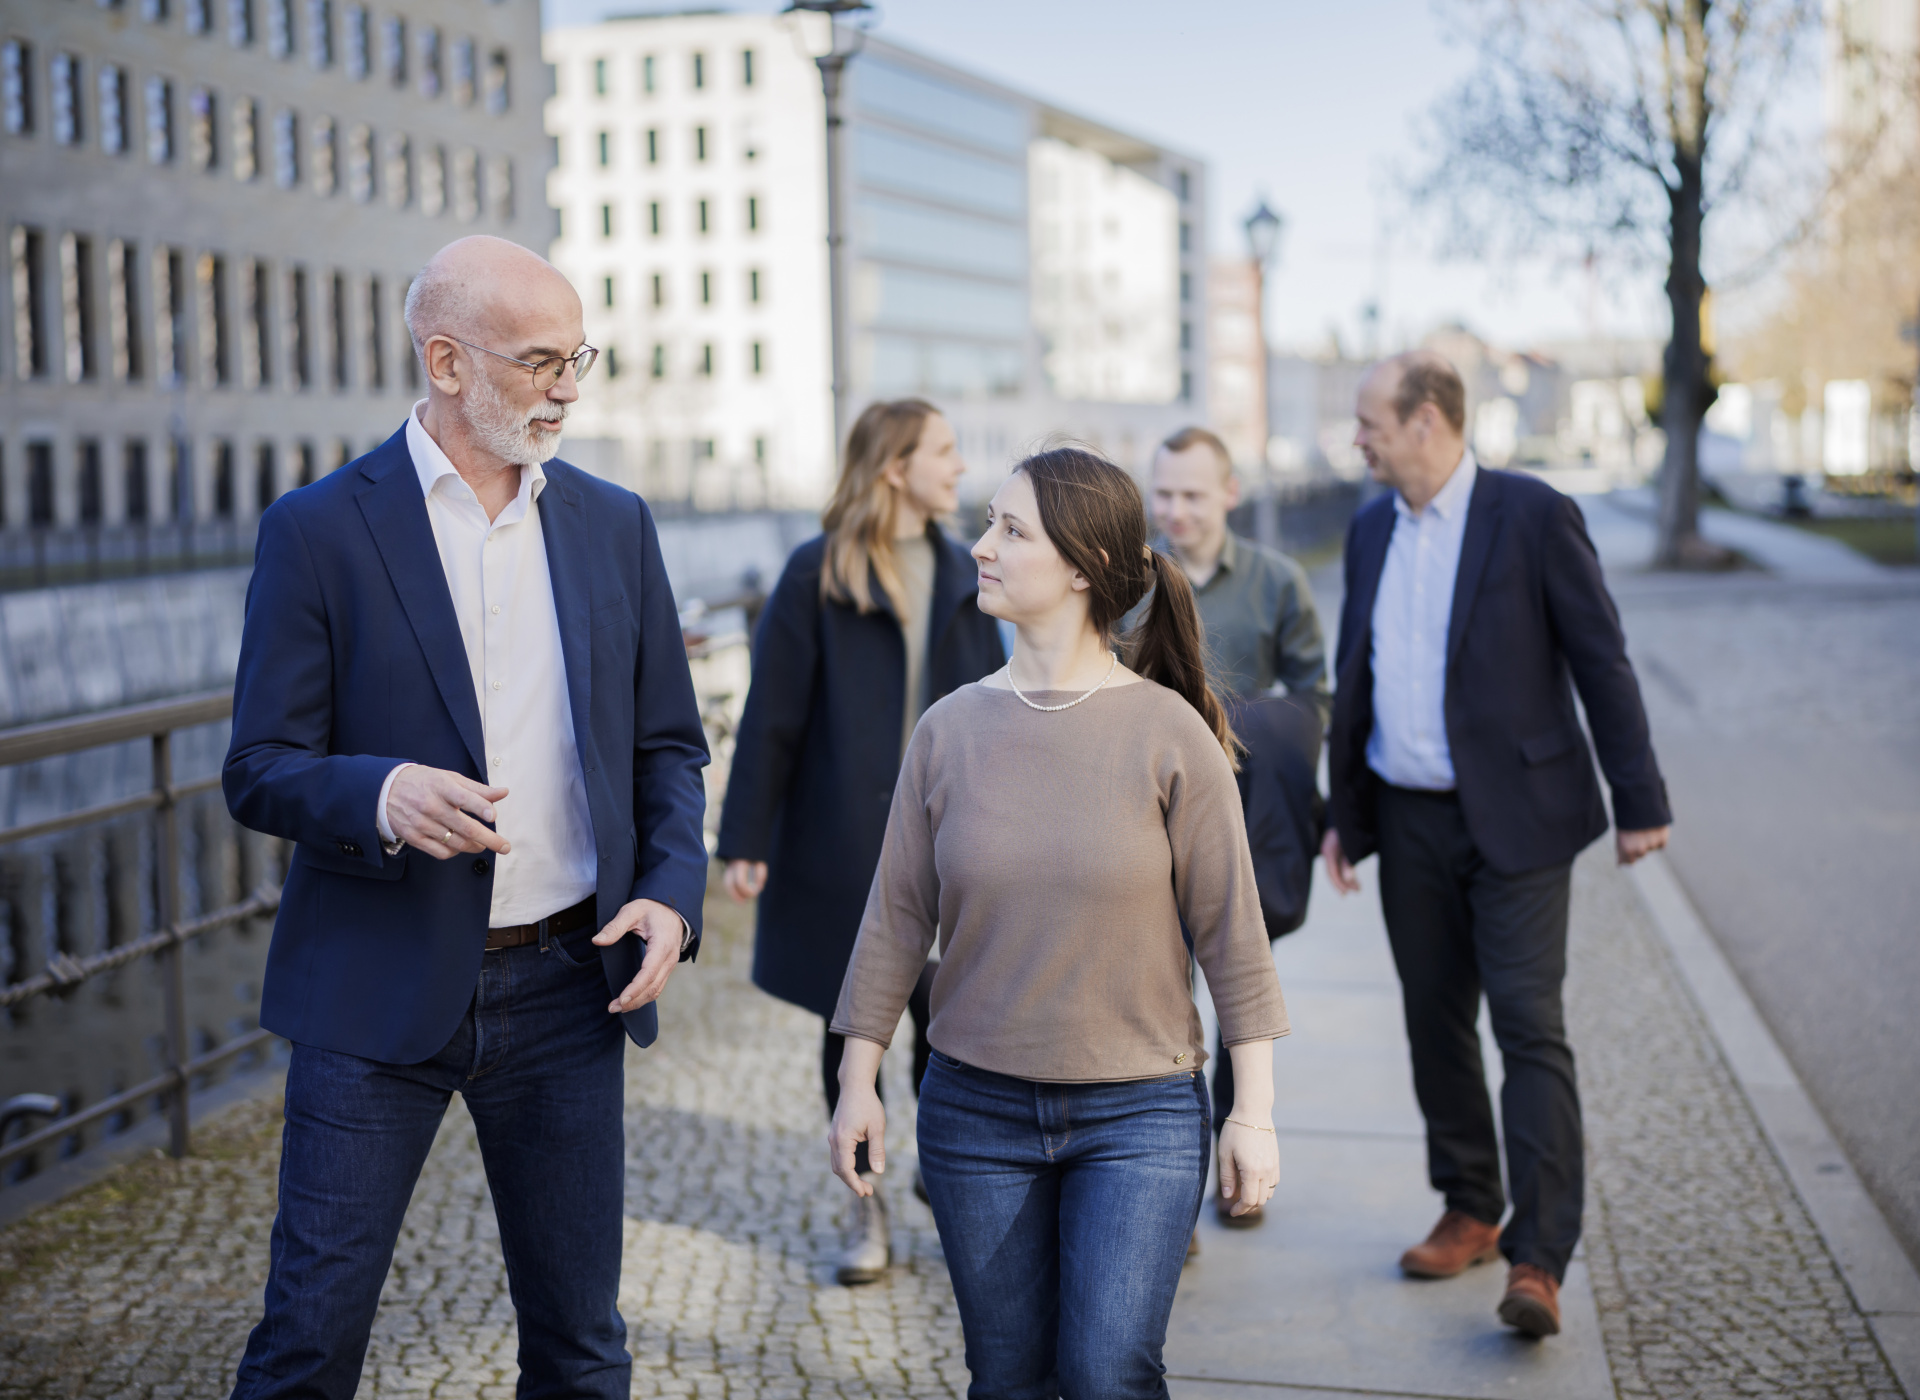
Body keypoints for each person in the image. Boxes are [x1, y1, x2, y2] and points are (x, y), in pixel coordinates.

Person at [221, 235, 710, 1399]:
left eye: (576, 356)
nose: (568, 388)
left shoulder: (613, 523)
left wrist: (669, 892)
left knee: (583, 1347)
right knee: (308, 1341)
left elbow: (668, 747)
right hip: (370, 996)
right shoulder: (319, 527)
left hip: (567, 986)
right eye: (540, 360)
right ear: (446, 359)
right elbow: (258, 765)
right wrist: (380, 792)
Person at [829, 447, 1290, 1397]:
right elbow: (895, 919)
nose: (981, 546)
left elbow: (1234, 941)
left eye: (1009, 529)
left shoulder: (1171, 735)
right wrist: (859, 1079)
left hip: (1142, 1115)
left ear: (1081, 566)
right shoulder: (948, 730)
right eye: (988, 522)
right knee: (1006, 1378)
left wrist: (1253, 1112)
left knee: (1106, 1372)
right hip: (973, 1111)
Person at [1321, 350, 1672, 1340]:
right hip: (1410, 814)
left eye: (1369, 421)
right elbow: (1360, 674)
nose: (1358, 439)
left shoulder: (1533, 513)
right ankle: (1470, 1202)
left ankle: (1539, 1256)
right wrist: (1344, 811)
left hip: (1516, 816)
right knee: (1434, 1021)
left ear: (1427, 420)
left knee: (1526, 1023)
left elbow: (1602, 657)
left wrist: (1639, 794)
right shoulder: (1365, 530)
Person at [714, 398, 1004, 1285]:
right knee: (855, 1038)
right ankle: (863, 1206)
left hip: (954, 840)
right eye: (943, 452)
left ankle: (948, 1180)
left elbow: (1000, 699)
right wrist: (746, 836)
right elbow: (771, 717)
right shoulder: (818, 573)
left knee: (950, 1030)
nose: (958, 467)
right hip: (848, 844)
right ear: (893, 467)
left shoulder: (968, 568)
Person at [1139, 424, 1329, 1231]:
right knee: (1157, 1001)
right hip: (1141, 822)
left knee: (1233, 1000)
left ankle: (1230, 1155)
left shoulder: (1278, 582)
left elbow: (1315, 700)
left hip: (1239, 823)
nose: (1176, 511)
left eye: (1191, 494)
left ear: (1229, 494)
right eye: (1164, 494)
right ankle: (1167, 1181)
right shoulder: (1127, 578)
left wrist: (1239, 733)